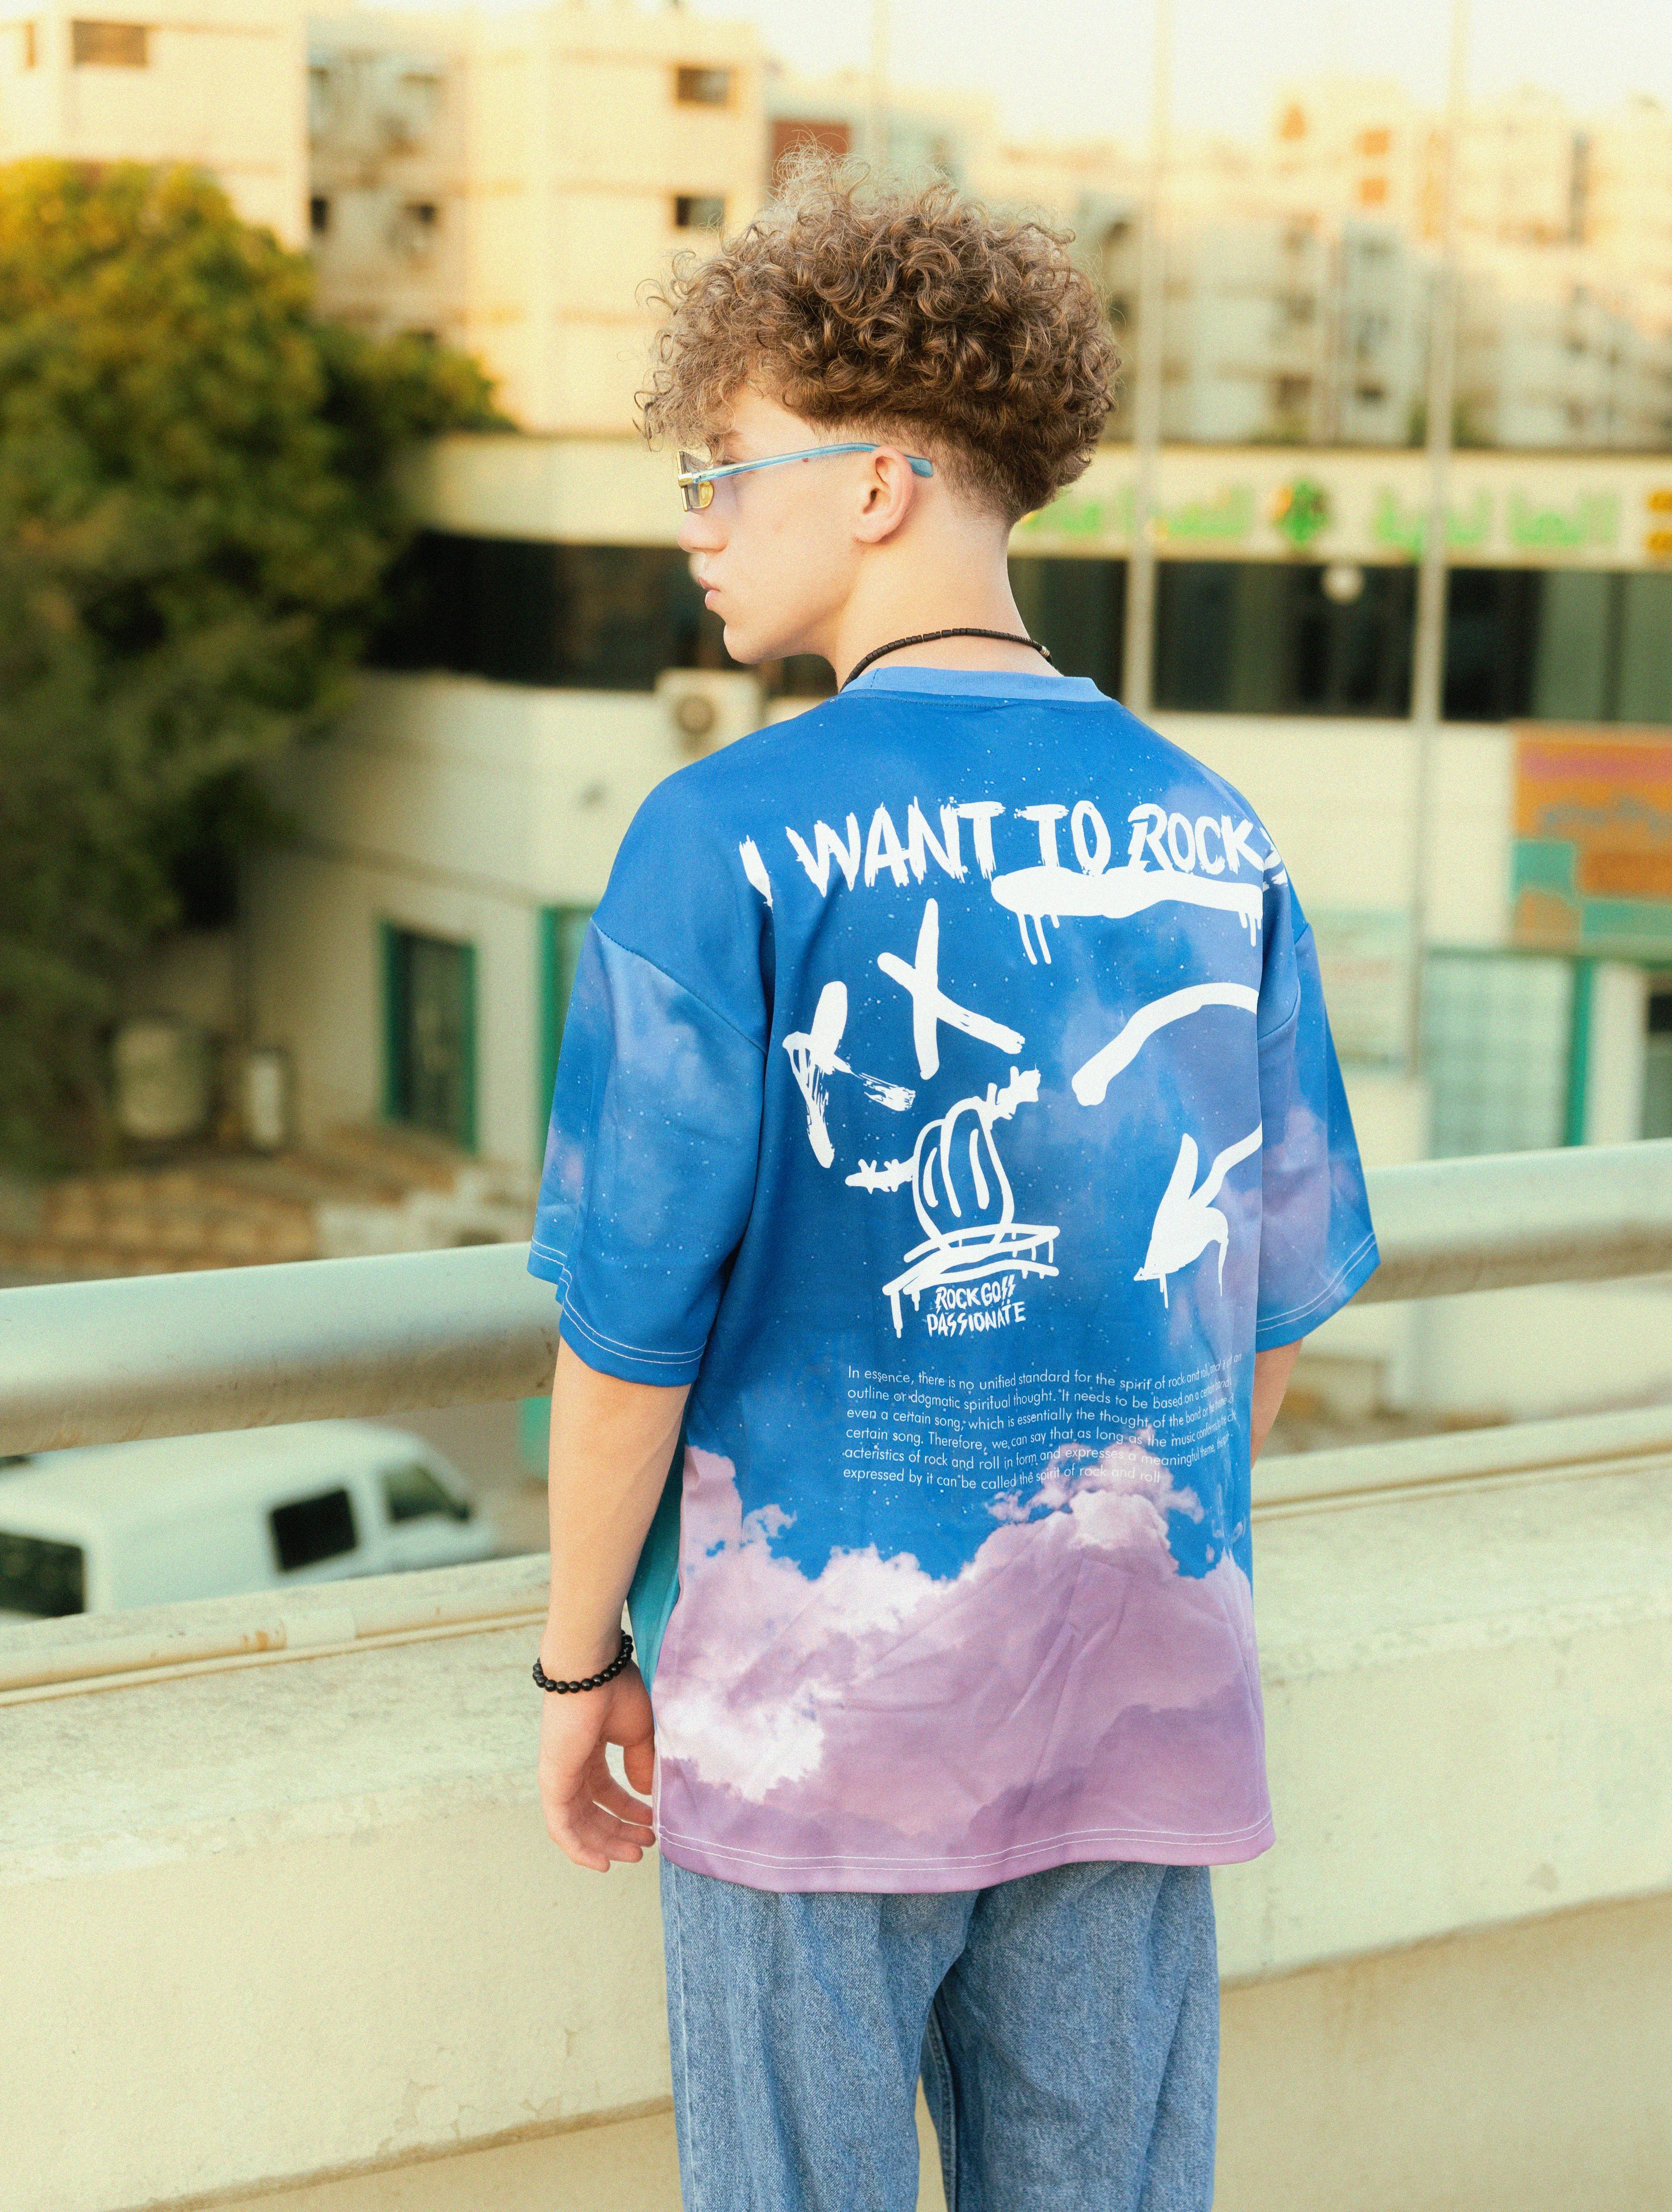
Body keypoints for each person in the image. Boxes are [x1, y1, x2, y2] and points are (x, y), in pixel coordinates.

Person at [528, 160, 1377, 2212]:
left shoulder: (712, 837)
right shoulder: (1210, 828)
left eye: (726, 465)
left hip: (812, 1731)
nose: (697, 520)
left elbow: (627, 1329)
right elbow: (1262, 1322)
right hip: (1130, 1709)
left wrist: (577, 1662)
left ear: (883, 478)